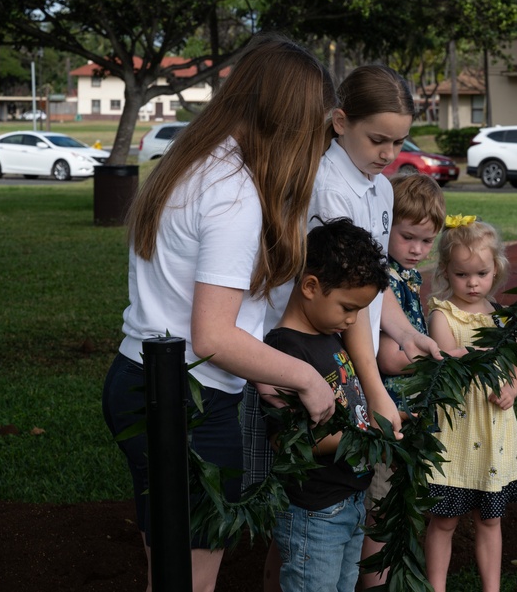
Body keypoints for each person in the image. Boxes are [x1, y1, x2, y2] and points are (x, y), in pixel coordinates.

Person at [101, 34, 339, 592]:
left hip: (139, 381)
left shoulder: (190, 162)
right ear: (290, 119)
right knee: (192, 581)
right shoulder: (235, 195)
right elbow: (211, 336)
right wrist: (305, 377)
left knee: (170, 572)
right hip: (193, 402)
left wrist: (258, 374)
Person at [244, 64, 443, 589]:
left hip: (351, 349)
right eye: (377, 139)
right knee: (304, 513)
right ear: (339, 121)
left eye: (398, 142)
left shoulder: (379, 189)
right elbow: (345, 296)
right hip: (321, 350)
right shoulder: (326, 187)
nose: (388, 154)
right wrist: (375, 392)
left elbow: (372, 287)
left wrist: (402, 331)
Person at [259, 218, 391, 592]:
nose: (352, 320)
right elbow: (289, 441)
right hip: (315, 513)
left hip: (349, 501)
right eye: (348, 308)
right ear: (311, 286)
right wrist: (368, 436)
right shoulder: (285, 350)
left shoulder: (328, 335)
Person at [423, 215, 517, 592]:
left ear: (496, 270)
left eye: (481, 273)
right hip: (456, 433)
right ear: (446, 272)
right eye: (461, 275)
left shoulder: (503, 318)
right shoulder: (443, 314)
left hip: (492, 431)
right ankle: (436, 587)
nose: (472, 283)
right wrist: (479, 354)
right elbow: (446, 356)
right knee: (444, 520)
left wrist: (513, 389)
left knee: (490, 520)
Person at [361, 172, 446, 589]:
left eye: (427, 242)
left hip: (405, 413)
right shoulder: (383, 278)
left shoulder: (408, 277)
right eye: (408, 236)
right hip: (388, 414)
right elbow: (389, 359)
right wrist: (437, 358)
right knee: (380, 509)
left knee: (396, 504)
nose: (416, 249)